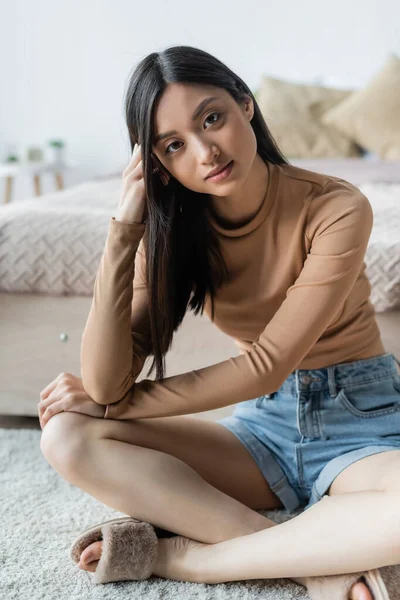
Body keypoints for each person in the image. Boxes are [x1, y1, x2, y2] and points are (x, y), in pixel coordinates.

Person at [39, 45, 400, 599]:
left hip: (361, 424)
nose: (206, 152)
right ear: (157, 163)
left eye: (212, 118)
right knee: (66, 435)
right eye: (174, 145)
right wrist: (124, 230)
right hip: (263, 433)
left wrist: (117, 402)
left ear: (246, 105)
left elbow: (265, 366)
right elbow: (107, 381)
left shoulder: (338, 207)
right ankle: (316, 567)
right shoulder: (173, 233)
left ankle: (190, 560)